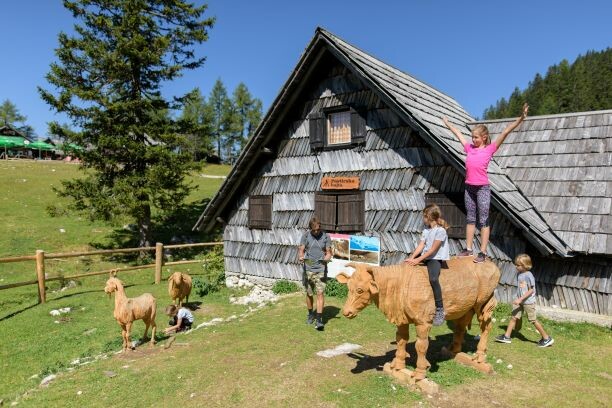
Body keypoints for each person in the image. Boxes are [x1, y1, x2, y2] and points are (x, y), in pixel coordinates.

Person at [443, 103, 529, 263]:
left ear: (483, 138)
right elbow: (457, 134)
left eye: (475, 137)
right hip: (469, 187)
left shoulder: (489, 149)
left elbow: (505, 131)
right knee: (470, 218)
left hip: (482, 188)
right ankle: (468, 249)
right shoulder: (469, 148)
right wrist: (448, 124)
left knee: (483, 220)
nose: (472, 139)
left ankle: (482, 252)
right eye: (472, 137)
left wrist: (521, 118)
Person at [405, 204, 450, 326]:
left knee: (434, 279)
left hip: (435, 258)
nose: (423, 219)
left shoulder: (440, 231)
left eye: (424, 217)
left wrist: (418, 260)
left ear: (429, 217)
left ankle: (440, 309)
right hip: (426, 257)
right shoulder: (426, 230)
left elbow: (432, 251)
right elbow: (421, 245)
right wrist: (412, 258)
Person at [495, 254, 554, 347]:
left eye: (518, 265)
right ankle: (506, 336)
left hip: (528, 302)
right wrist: (518, 299)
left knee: (533, 320)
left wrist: (520, 299)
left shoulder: (529, 275)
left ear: (525, 265)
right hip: (520, 301)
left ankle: (546, 338)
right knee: (514, 317)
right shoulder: (520, 274)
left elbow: (531, 290)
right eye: (516, 264)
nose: (516, 266)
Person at [298, 216, 332, 330]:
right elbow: (301, 250)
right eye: (314, 230)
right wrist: (301, 257)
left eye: (318, 229)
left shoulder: (326, 236)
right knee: (309, 293)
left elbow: (328, 252)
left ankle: (319, 320)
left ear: (320, 227)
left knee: (320, 293)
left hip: (321, 269)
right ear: (311, 229)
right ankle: (310, 314)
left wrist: (327, 258)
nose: (316, 232)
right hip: (308, 269)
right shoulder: (306, 236)